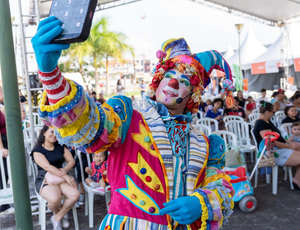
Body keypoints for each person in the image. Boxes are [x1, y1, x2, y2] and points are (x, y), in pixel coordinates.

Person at [32, 19, 234, 229]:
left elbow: (222, 186)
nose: (173, 83)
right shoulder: (127, 114)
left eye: (184, 82)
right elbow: (88, 127)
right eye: (169, 76)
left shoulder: (206, 142)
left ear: (193, 95)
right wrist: (51, 77)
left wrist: (202, 203)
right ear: (157, 80)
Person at [31, 125, 80, 229]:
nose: (54, 135)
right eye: (52, 132)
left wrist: (65, 169)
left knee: (75, 195)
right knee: (54, 199)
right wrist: (66, 177)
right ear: (43, 133)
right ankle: (59, 214)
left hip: (60, 177)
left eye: (57, 133)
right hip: (45, 178)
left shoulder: (60, 146)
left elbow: (71, 161)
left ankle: (57, 217)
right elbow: (47, 167)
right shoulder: (37, 150)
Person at [253, 101, 300, 189]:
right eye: (273, 112)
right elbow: (270, 142)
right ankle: (297, 179)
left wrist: (290, 143)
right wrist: (289, 146)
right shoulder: (261, 124)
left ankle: (297, 179)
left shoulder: (266, 121)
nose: (273, 114)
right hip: (274, 153)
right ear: (267, 112)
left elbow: (279, 137)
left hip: (279, 149)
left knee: (298, 147)